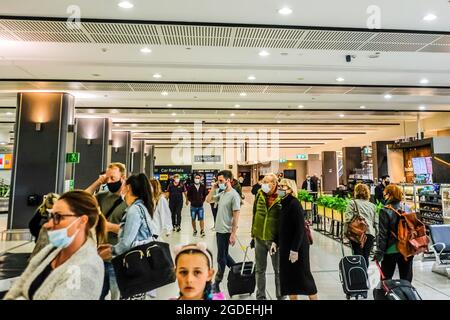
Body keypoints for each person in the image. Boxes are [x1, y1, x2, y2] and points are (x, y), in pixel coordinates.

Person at [4, 190, 105, 300]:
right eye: (51, 216)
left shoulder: (87, 266)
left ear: (82, 221)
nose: (48, 224)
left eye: (58, 217)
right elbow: (20, 285)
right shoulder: (51, 251)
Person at [98, 173, 155, 300]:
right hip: (139, 264)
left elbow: (126, 243)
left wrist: (110, 250)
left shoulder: (134, 210)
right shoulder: (141, 207)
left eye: (124, 184)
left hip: (133, 266)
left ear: (128, 188)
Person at [85, 162, 128, 300]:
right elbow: (82, 197)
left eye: (113, 178)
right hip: (98, 255)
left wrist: (110, 227)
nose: (109, 181)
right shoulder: (102, 196)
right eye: (107, 178)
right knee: (97, 294)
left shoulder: (129, 200)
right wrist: (99, 182)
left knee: (117, 294)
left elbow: (132, 230)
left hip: (118, 257)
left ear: (123, 178)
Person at [276, 179, 318, 300]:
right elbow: (282, 227)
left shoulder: (294, 204)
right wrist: (276, 241)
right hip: (286, 247)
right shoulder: (283, 203)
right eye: (279, 186)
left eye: (283, 186)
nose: (280, 189)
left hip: (297, 247)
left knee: (304, 278)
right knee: (289, 281)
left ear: (290, 189)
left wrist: (294, 249)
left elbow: (300, 229)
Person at [251, 173, 284, 300]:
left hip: (275, 240)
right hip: (259, 237)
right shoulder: (259, 193)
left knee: (279, 271)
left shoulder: (281, 196)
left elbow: (285, 218)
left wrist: (280, 239)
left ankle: (281, 296)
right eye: (263, 181)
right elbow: (255, 213)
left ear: (274, 183)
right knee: (260, 270)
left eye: (266, 181)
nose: (263, 184)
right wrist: (253, 234)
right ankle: (260, 297)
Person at [206, 170, 240, 293]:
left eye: (221, 181)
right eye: (218, 180)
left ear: (228, 180)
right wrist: (213, 188)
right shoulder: (222, 193)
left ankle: (217, 283)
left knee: (221, 258)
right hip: (219, 230)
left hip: (226, 231)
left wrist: (233, 233)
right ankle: (238, 272)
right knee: (224, 255)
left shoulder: (234, 195)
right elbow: (208, 200)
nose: (219, 182)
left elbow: (236, 215)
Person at [374, 184, 414, 282]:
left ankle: (386, 297)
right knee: (406, 279)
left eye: (385, 194)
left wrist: (379, 253)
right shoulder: (407, 208)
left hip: (391, 249)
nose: (384, 196)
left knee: (386, 279)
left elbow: (383, 234)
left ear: (390, 195)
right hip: (407, 249)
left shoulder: (385, 210)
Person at [344, 183, 378, 267]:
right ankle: (364, 275)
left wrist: (345, 233)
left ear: (356, 192)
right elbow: (376, 222)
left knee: (357, 255)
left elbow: (348, 219)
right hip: (369, 234)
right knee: (365, 257)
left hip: (357, 233)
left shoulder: (352, 203)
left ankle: (358, 276)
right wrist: (375, 235)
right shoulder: (372, 206)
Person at [28, 193, 59, 258]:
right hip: (43, 238)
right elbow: (32, 225)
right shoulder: (41, 211)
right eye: (49, 208)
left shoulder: (62, 211)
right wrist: (39, 234)